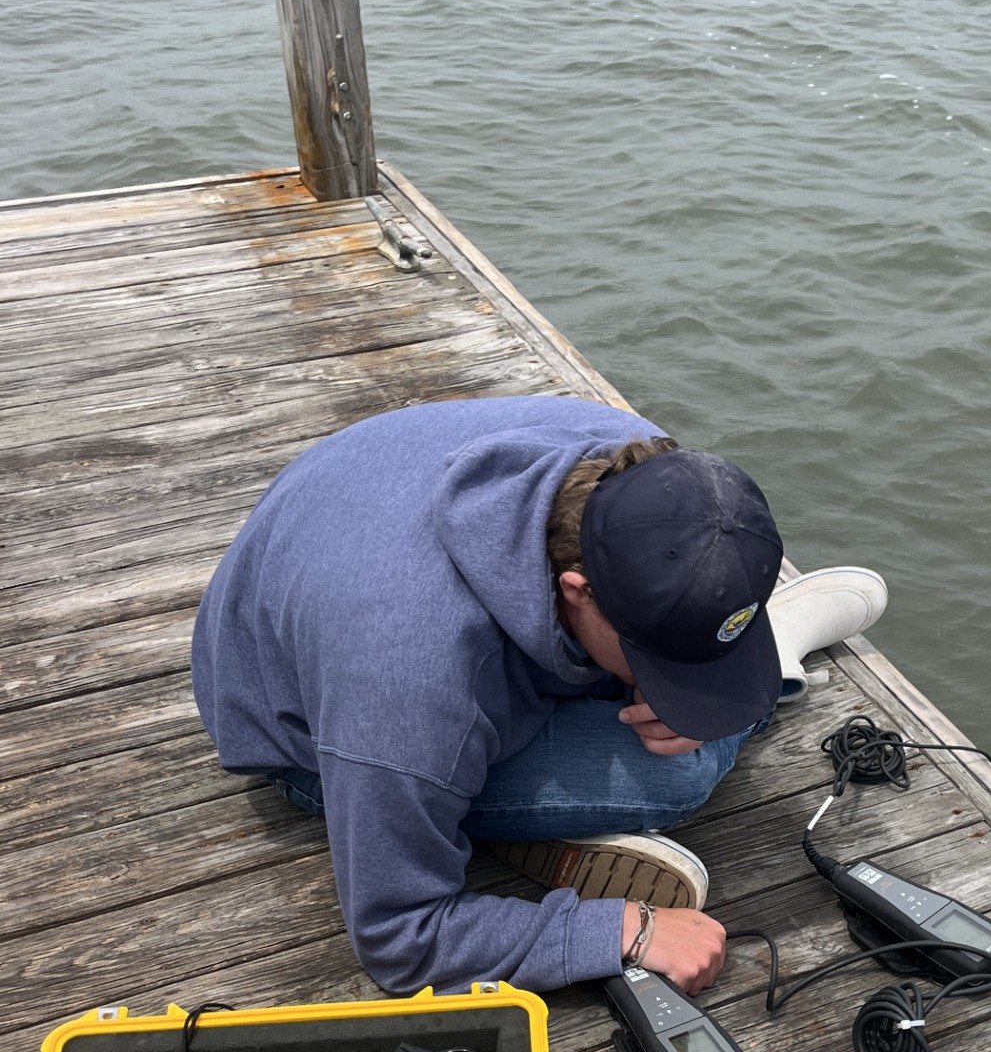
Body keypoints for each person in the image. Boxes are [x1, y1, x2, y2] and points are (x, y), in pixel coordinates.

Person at [192, 396, 885, 998]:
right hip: (311, 732)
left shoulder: (638, 464)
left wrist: (675, 677)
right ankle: (773, 654)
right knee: (678, 771)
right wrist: (621, 929)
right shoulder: (413, 691)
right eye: (663, 658)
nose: (678, 680)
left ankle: (742, 653)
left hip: (360, 562)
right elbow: (399, 937)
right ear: (578, 592)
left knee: (698, 705)